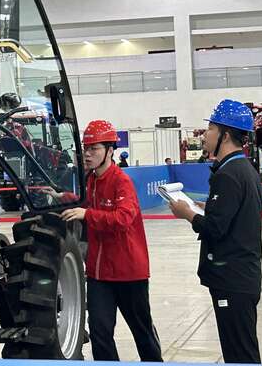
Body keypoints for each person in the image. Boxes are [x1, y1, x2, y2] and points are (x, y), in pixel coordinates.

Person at [61, 120, 162, 362]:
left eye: (93, 149)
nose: (87, 154)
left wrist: (88, 215)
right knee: (99, 332)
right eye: (85, 148)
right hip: (99, 274)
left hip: (129, 274)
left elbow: (123, 218)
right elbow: (87, 204)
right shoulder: (91, 180)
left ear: (109, 151)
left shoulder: (121, 182)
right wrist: (63, 197)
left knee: (142, 332)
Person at [169, 100, 262, 364]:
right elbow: (233, 215)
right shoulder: (243, 169)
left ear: (226, 135)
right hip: (243, 275)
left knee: (239, 354)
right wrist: (207, 207)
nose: (205, 135)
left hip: (232, 278)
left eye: (210, 129)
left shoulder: (229, 174)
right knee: (242, 349)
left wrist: (187, 213)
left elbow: (215, 228)